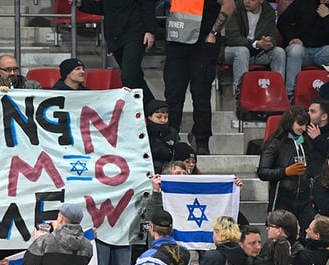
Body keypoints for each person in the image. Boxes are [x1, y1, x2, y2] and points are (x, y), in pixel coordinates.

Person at [163, 0, 234, 156]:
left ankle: (201, 139)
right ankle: (170, 139)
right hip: (176, 42)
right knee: (173, 94)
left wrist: (213, 33)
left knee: (201, 94)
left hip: (204, 42)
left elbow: (229, 6)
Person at [76, 0, 157, 100]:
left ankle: (134, 110)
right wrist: (83, 4)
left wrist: (150, 30)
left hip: (135, 33)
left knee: (128, 77)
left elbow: (147, 5)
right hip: (115, 36)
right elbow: (104, 8)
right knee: (135, 77)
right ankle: (152, 108)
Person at [278, 0, 329, 97]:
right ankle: (290, 94)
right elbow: (283, 21)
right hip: (302, 49)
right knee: (295, 50)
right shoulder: (303, 3)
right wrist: (291, 38)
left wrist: (327, 18)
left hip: (324, 52)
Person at [257, 106, 315, 229]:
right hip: (282, 199)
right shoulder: (275, 143)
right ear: (289, 122)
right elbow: (262, 172)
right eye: (300, 124)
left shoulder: (307, 142)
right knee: (280, 238)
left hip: (305, 200)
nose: (303, 128)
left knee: (307, 237)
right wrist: (285, 172)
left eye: (306, 125)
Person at [223, 0, 285, 97]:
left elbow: (273, 35)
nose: (247, 1)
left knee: (279, 52)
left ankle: (277, 93)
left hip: (258, 53)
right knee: (242, 51)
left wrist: (269, 42)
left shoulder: (269, 11)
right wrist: (255, 44)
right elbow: (231, 38)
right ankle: (241, 94)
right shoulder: (236, 8)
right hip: (232, 50)